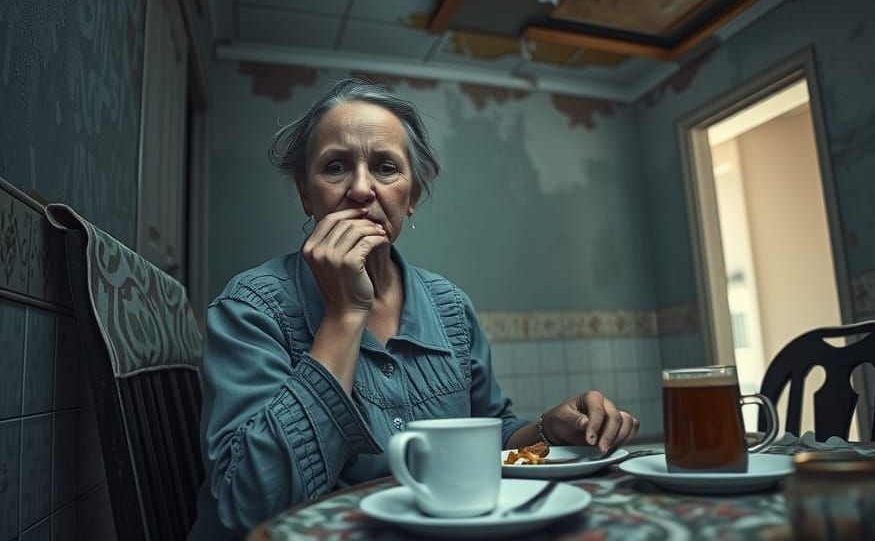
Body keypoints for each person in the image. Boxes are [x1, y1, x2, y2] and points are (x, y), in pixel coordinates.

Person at [189, 78, 639, 538]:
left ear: (413, 196)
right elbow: (248, 503)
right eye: (335, 167)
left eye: (385, 168)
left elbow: (492, 433)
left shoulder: (450, 307)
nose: (361, 189)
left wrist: (547, 430)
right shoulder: (252, 307)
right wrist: (344, 313)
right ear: (306, 193)